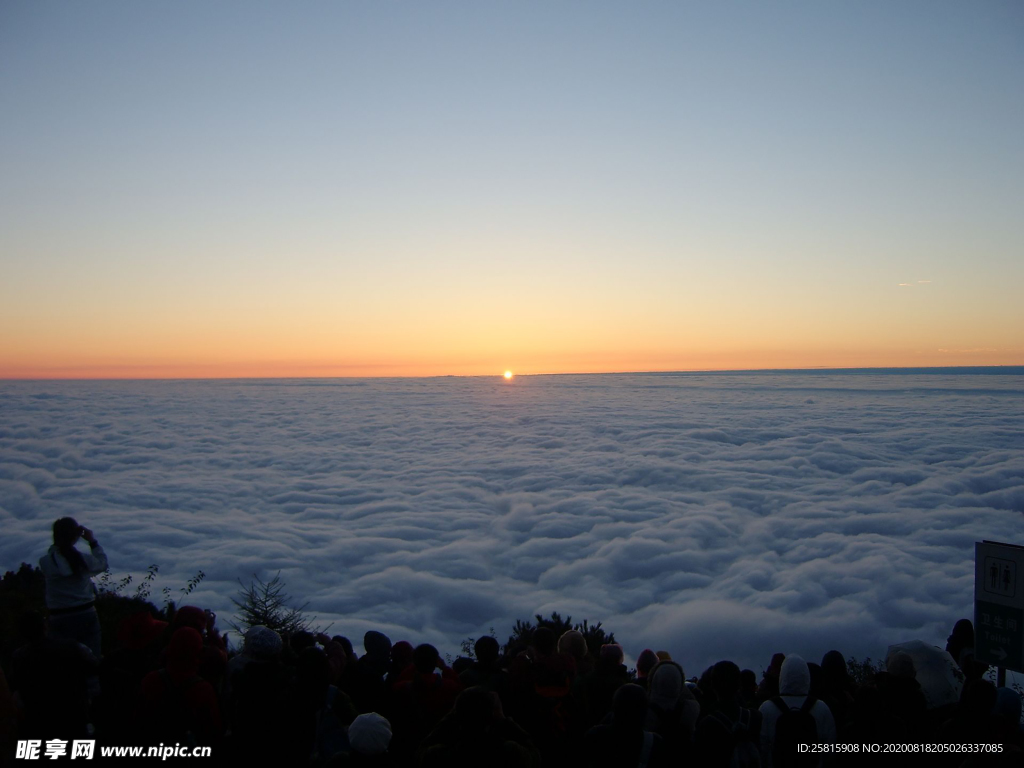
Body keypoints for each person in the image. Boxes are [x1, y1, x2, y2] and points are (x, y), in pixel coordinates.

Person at [39, 517, 108, 657]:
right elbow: (102, 564)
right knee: (92, 660)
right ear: (75, 537)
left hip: (59, 616)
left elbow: (55, 557)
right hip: (86, 613)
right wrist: (92, 542)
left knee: (63, 663)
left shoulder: (46, 562)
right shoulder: (82, 560)